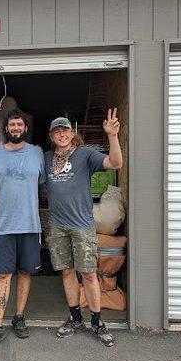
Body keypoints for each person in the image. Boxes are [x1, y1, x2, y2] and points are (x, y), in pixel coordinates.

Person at [44, 108, 123, 347]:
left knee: (88, 273)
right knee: (67, 272)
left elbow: (115, 162)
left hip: (82, 226)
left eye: (65, 130)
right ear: (52, 136)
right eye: (57, 131)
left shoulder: (85, 154)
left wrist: (112, 136)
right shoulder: (46, 157)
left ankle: (97, 322)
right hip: (57, 226)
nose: (62, 134)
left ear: (72, 133)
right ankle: (76, 318)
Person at [0, 108, 45, 351]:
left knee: (26, 272)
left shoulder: (37, 153)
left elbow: (41, 185)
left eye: (19, 124)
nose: (16, 128)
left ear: (25, 128)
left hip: (30, 225)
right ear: (6, 129)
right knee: (4, 274)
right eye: (12, 125)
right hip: (4, 227)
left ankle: (19, 318)